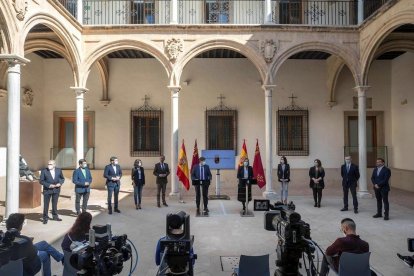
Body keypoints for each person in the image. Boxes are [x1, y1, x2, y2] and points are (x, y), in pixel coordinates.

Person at [39, 160, 65, 224]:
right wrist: (49, 185)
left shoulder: (59, 170)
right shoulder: (44, 170)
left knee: (54, 204)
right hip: (47, 190)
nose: (49, 165)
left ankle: (55, 216)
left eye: (50, 164)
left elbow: (62, 178)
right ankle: (45, 218)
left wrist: (60, 183)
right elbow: (41, 181)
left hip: (56, 189)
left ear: (54, 165)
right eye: (48, 164)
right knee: (46, 205)